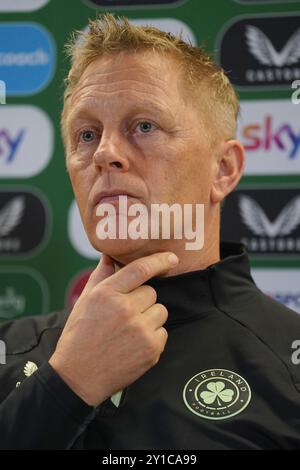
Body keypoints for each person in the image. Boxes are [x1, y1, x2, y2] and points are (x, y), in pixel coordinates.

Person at [0, 13, 299, 450]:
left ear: (223, 169)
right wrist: (64, 386)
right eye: (86, 134)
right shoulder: (11, 347)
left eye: (144, 126)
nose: (104, 153)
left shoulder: (288, 365)